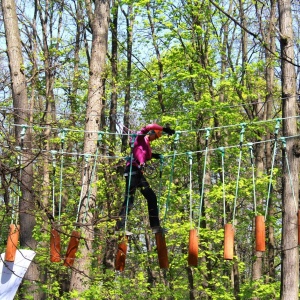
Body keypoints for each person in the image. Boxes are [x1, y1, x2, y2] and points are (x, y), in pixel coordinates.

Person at [115, 123, 175, 234]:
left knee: (151, 197)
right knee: (129, 199)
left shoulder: (147, 144)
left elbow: (143, 153)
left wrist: (155, 156)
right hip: (132, 171)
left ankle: (155, 227)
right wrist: (164, 129)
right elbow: (148, 126)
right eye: (155, 137)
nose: (155, 139)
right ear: (151, 133)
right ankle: (119, 228)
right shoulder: (140, 136)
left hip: (138, 174)